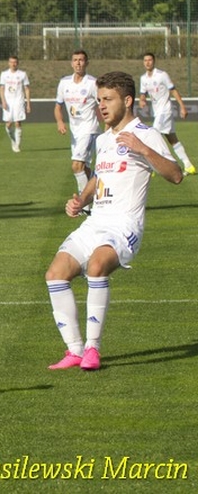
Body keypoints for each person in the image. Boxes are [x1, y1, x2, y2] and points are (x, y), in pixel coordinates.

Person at [45, 71, 182, 371]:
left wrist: (143, 149)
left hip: (124, 226)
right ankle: (75, 350)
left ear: (128, 100)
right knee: (55, 273)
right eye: (99, 100)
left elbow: (175, 175)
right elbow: (99, 176)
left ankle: (92, 349)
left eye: (108, 99)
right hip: (96, 222)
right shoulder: (104, 139)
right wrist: (81, 200)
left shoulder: (146, 134)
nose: (101, 106)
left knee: (97, 265)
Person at [139, 52, 196, 175]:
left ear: (154, 61)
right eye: (145, 60)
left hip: (165, 111)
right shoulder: (143, 78)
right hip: (157, 112)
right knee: (172, 139)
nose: (147, 62)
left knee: (153, 135)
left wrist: (182, 107)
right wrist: (142, 100)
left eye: (150, 60)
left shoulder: (162, 75)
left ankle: (153, 167)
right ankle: (188, 165)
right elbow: (143, 93)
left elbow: (173, 90)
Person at [55, 50, 100, 200]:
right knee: (85, 169)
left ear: (87, 63)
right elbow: (58, 106)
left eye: (81, 60)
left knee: (76, 166)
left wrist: (108, 127)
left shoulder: (93, 83)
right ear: (71, 63)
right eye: (75, 60)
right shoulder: (64, 83)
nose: (78, 63)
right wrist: (60, 121)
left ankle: (85, 204)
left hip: (89, 129)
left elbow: (102, 105)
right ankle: (100, 186)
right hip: (75, 132)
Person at [0, 55, 31, 152]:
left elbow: (26, 89)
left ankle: (17, 145)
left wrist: (28, 103)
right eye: (11, 62)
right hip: (8, 101)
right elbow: (1, 88)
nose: (13, 64)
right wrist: (3, 101)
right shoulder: (4, 74)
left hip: (18, 101)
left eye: (15, 62)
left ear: (18, 63)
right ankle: (13, 140)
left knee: (17, 122)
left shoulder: (22, 74)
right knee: (8, 124)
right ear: (8, 63)